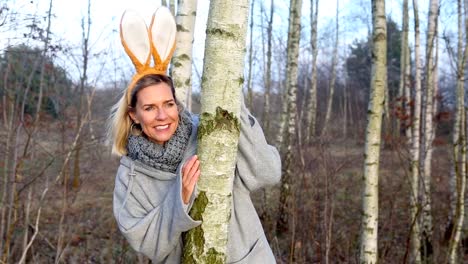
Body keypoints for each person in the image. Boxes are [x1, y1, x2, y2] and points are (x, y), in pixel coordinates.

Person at [109, 7, 281, 264]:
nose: (162, 115)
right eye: (149, 108)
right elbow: (148, 245)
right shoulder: (130, 176)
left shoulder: (209, 134)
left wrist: (232, 105)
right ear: (134, 115)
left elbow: (267, 173)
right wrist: (181, 198)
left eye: (168, 103)